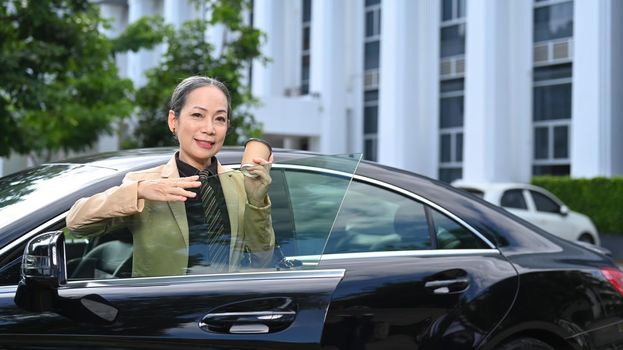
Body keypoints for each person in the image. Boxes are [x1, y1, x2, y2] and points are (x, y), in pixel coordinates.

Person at [66, 76, 275, 277]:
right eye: (197, 115)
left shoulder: (241, 183)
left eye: (219, 119)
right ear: (173, 120)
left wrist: (256, 200)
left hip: (222, 308)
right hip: (166, 308)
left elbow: (262, 259)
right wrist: (137, 191)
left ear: (227, 127)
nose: (209, 129)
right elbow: (76, 223)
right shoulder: (145, 183)